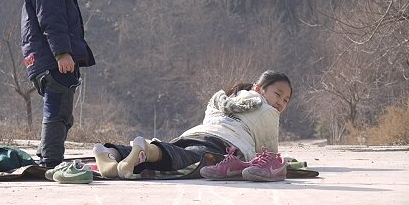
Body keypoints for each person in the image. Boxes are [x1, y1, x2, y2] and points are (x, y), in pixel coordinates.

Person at [93, 70, 292, 182]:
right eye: (278, 94)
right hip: (224, 144)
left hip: (196, 133)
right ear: (258, 89)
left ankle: (110, 152)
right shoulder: (268, 112)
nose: (280, 103)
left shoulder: (226, 98)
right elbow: (268, 155)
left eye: (286, 100)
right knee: (189, 159)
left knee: (174, 150)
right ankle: (144, 148)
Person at [21, 0, 95, 168]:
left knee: (62, 109)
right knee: (58, 109)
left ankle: (47, 153)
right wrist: (62, 53)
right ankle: (51, 160)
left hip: (49, 57)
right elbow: (51, 22)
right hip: (52, 58)